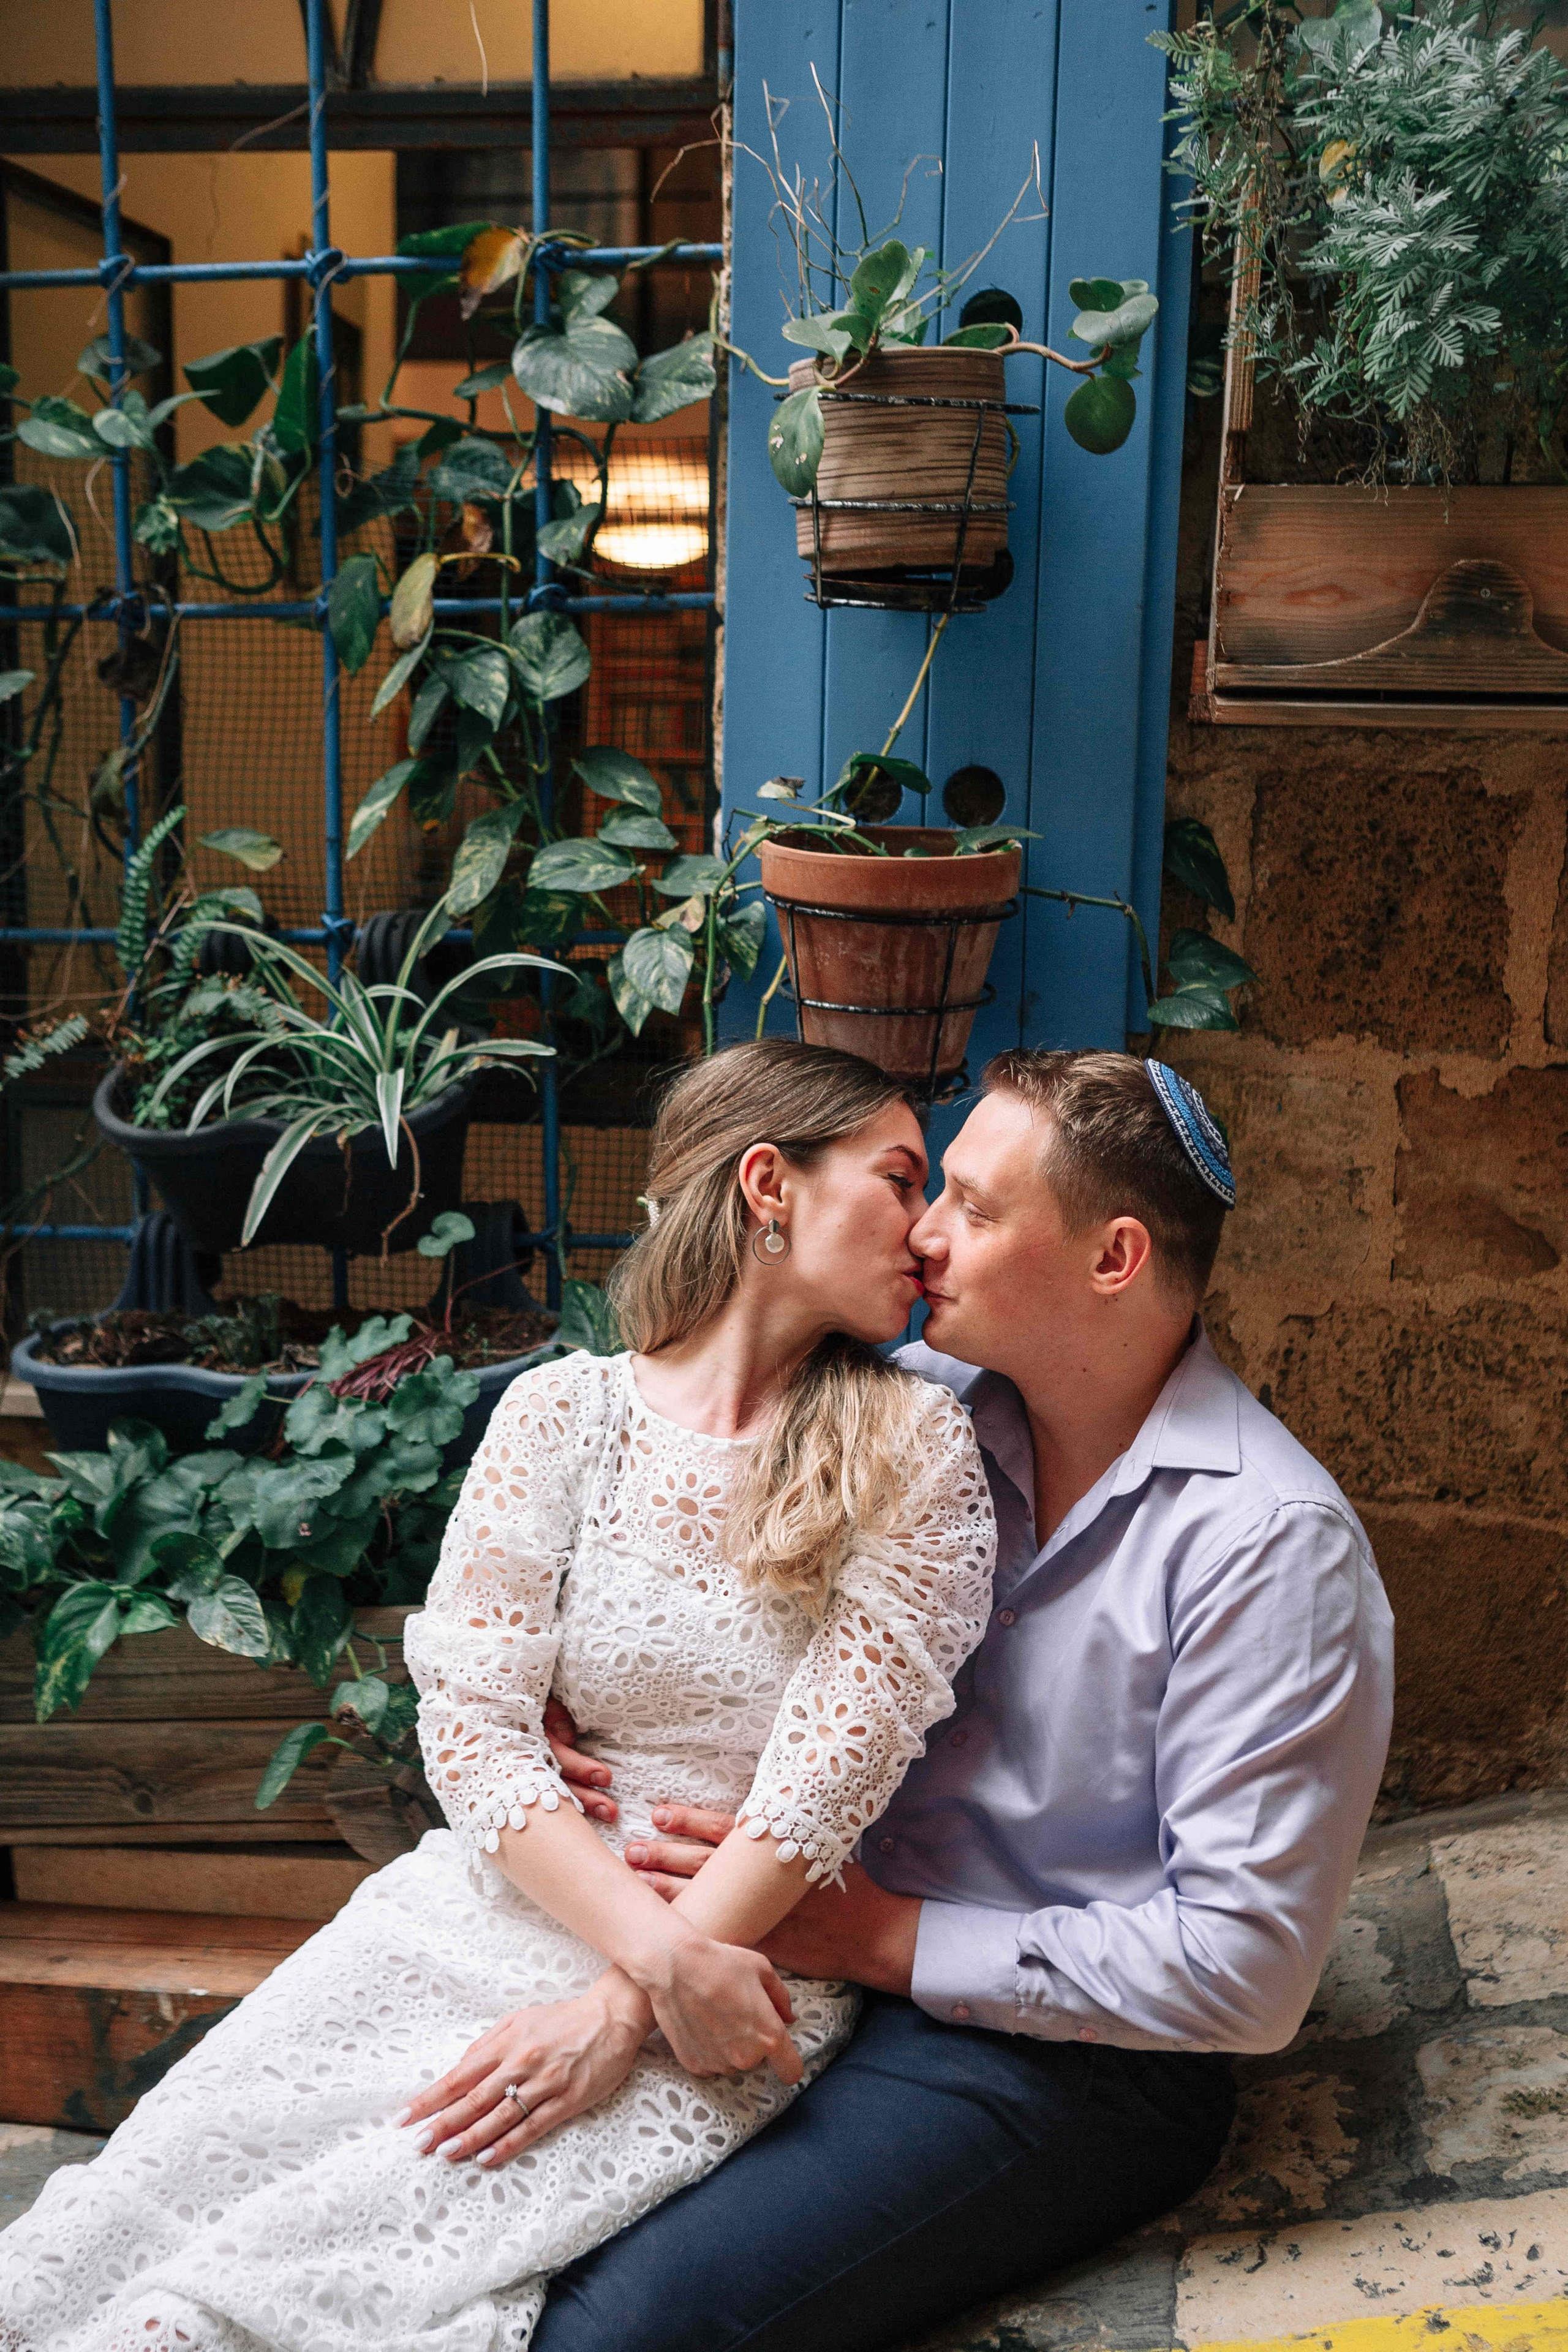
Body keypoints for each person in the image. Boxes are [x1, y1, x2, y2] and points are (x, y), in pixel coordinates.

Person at [0, 1041, 998, 2352]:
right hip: (485, 1910)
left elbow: (829, 1774)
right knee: (136, 2205)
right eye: (900, 1179)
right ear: (770, 1185)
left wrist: (626, 2008)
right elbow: (473, 1725)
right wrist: (646, 1959)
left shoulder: (913, 1444)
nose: (925, 1229)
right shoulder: (559, 1413)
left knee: (256, 2291)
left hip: (733, 1967)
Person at [533, 1049, 1396, 2352]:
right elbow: (653, 1535)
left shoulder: (1269, 1545)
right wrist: (565, 1685)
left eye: (974, 1209)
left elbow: (1247, 1974)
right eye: (930, 1188)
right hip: (771, 1931)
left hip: (1060, 2060)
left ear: (1113, 1258)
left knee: (621, 2323)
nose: (922, 1235)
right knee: (455, 2207)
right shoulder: (906, 1409)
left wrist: (874, 1937)